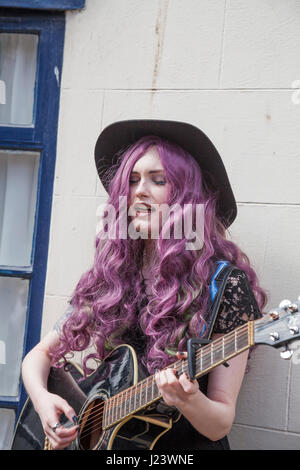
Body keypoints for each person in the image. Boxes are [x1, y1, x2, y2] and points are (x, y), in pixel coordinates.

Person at [21, 119, 267, 450]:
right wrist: (42, 400)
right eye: (133, 180)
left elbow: (219, 422)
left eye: (158, 180)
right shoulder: (114, 275)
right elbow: (37, 356)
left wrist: (187, 400)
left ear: (186, 197)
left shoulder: (225, 285)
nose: (139, 190)